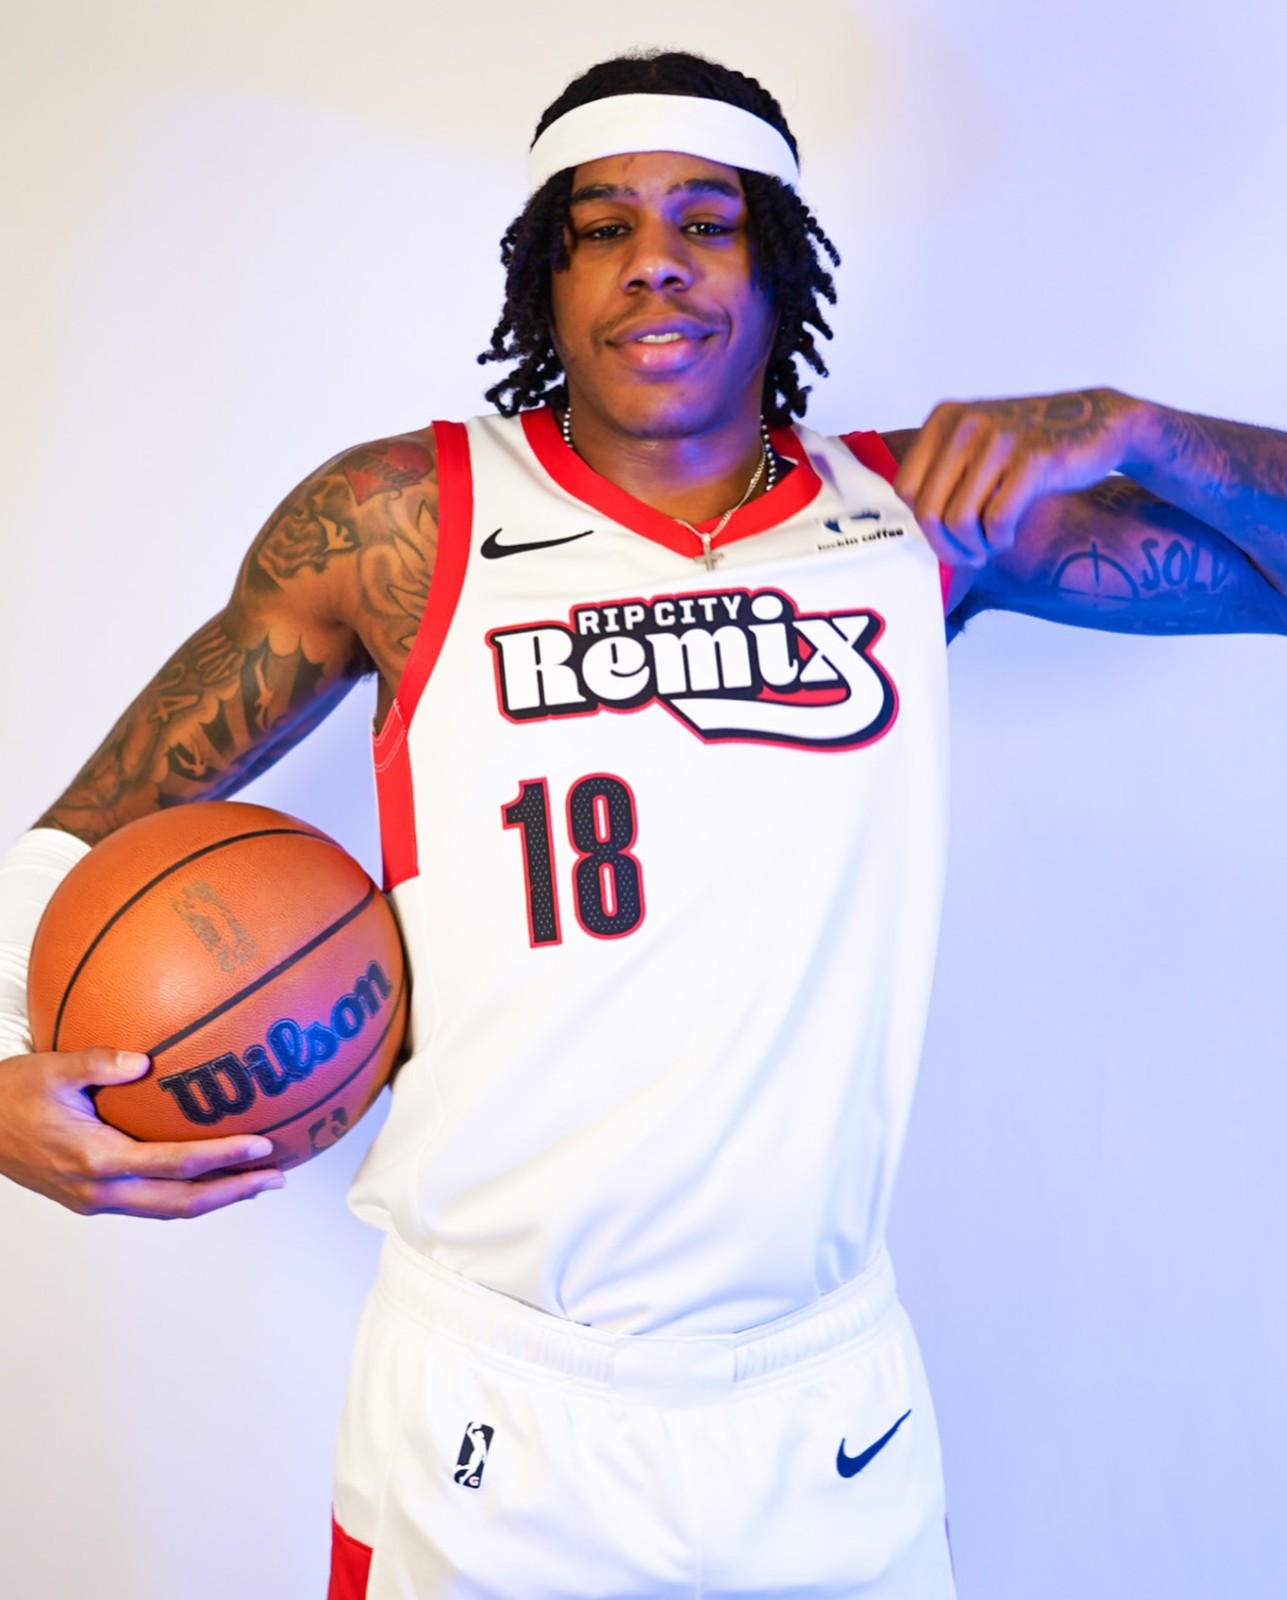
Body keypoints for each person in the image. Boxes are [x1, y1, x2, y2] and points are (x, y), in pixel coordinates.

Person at [1, 48, 1285, 1600]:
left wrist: (1142, 427)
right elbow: (84, 836)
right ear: (543, 281)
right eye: (600, 227)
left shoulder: (914, 519)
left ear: (782, 262)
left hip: (820, 1401)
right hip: (489, 1393)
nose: (654, 260)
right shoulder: (403, 518)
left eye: (707, 220)